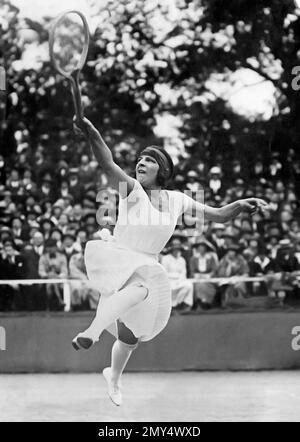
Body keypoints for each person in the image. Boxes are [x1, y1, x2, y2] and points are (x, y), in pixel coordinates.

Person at [71, 117, 269, 406]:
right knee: (140, 290)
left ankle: (113, 377)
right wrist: (93, 133)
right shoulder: (131, 191)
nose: (140, 162)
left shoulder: (178, 200)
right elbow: (108, 164)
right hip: (120, 261)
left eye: (148, 160)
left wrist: (240, 205)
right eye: (139, 159)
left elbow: (218, 214)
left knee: (129, 338)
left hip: (147, 264)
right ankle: (92, 331)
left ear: (162, 169)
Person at [160, 239, 193, 313]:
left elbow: (184, 272)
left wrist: (179, 280)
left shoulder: (182, 260)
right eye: (175, 249)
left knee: (189, 285)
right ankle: (172, 305)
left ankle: (180, 304)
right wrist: (175, 276)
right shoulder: (165, 259)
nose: (177, 251)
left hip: (179, 281)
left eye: (178, 249)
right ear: (172, 250)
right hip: (168, 282)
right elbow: (164, 273)